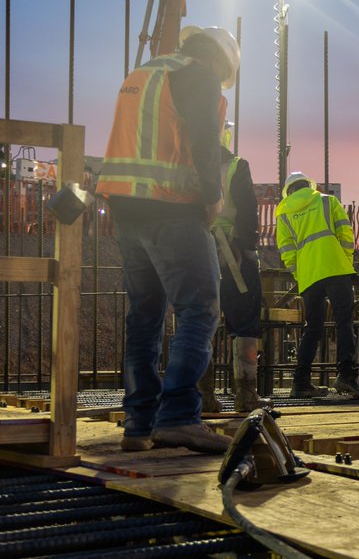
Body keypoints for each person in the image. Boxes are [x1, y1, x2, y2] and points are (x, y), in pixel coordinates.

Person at [96, 25, 240, 454]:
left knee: (144, 318)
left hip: (127, 210)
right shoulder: (198, 74)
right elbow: (204, 139)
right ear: (217, 60)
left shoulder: (142, 75)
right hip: (172, 207)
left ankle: (138, 425)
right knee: (200, 309)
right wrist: (213, 197)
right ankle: (178, 416)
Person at [275, 172, 359, 400]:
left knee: (313, 328)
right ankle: (346, 377)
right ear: (309, 186)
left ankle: (300, 383)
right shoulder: (327, 201)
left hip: (309, 276)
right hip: (336, 269)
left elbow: (287, 250)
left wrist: (300, 273)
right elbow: (346, 233)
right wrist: (345, 259)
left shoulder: (284, 212)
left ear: (289, 192)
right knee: (344, 323)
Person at [201, 122, 272, 414]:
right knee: (244, 321)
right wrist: (247, 247)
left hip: (198, 248)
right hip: (232, 251)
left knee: (199, 320)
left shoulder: (188, 167)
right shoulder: (236, 166)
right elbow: (247, 210)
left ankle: (202, 397)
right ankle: (246, 394)